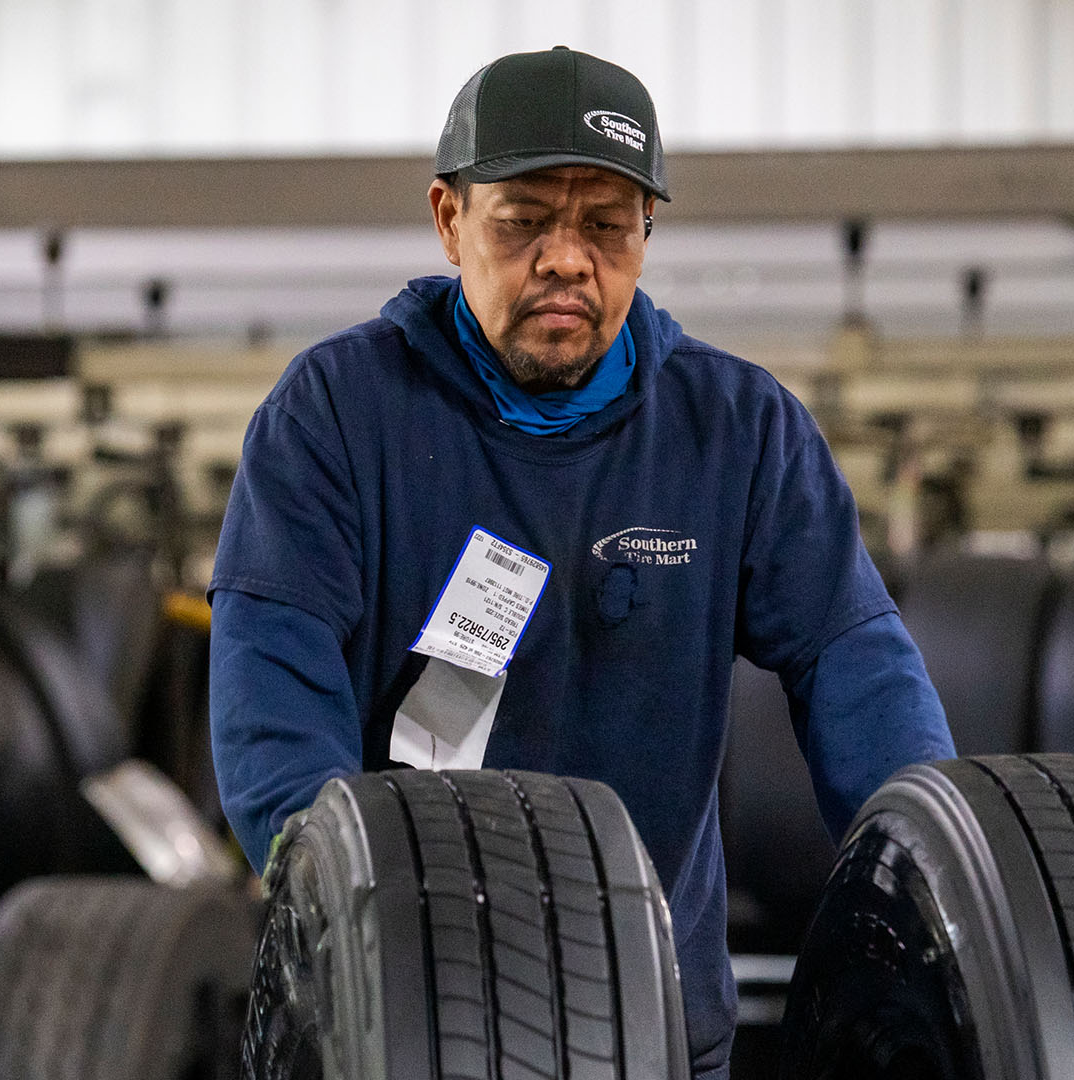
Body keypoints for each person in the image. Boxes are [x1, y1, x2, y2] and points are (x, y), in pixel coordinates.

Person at [209, 45, 955, 1079]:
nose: (567, 259)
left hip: (653, 1017)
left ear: (647, 233)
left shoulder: (738, 432)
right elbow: (271, 689)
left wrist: (933, 877)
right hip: (406, 1021)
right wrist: (337, 913)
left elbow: (853, 659)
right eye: (523, 222)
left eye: (606, 224)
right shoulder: (336, 415)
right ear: (448, 218)